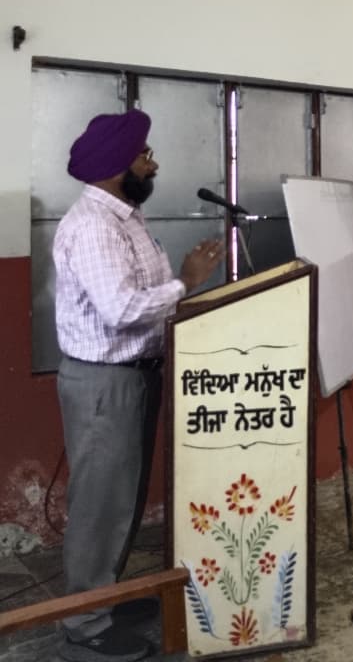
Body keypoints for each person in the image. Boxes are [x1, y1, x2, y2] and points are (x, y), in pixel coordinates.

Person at [53, 110, 222, 661]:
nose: (153, 163)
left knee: (121, 498)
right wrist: (186, 283)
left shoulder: (125, 218)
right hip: (105, 385)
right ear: (116, 165)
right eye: (145, 154)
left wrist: (182, 292)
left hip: (134, 378)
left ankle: (104, 596)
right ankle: (84, 626)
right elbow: (122, 309)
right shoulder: (95, 226)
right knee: (101, 504)